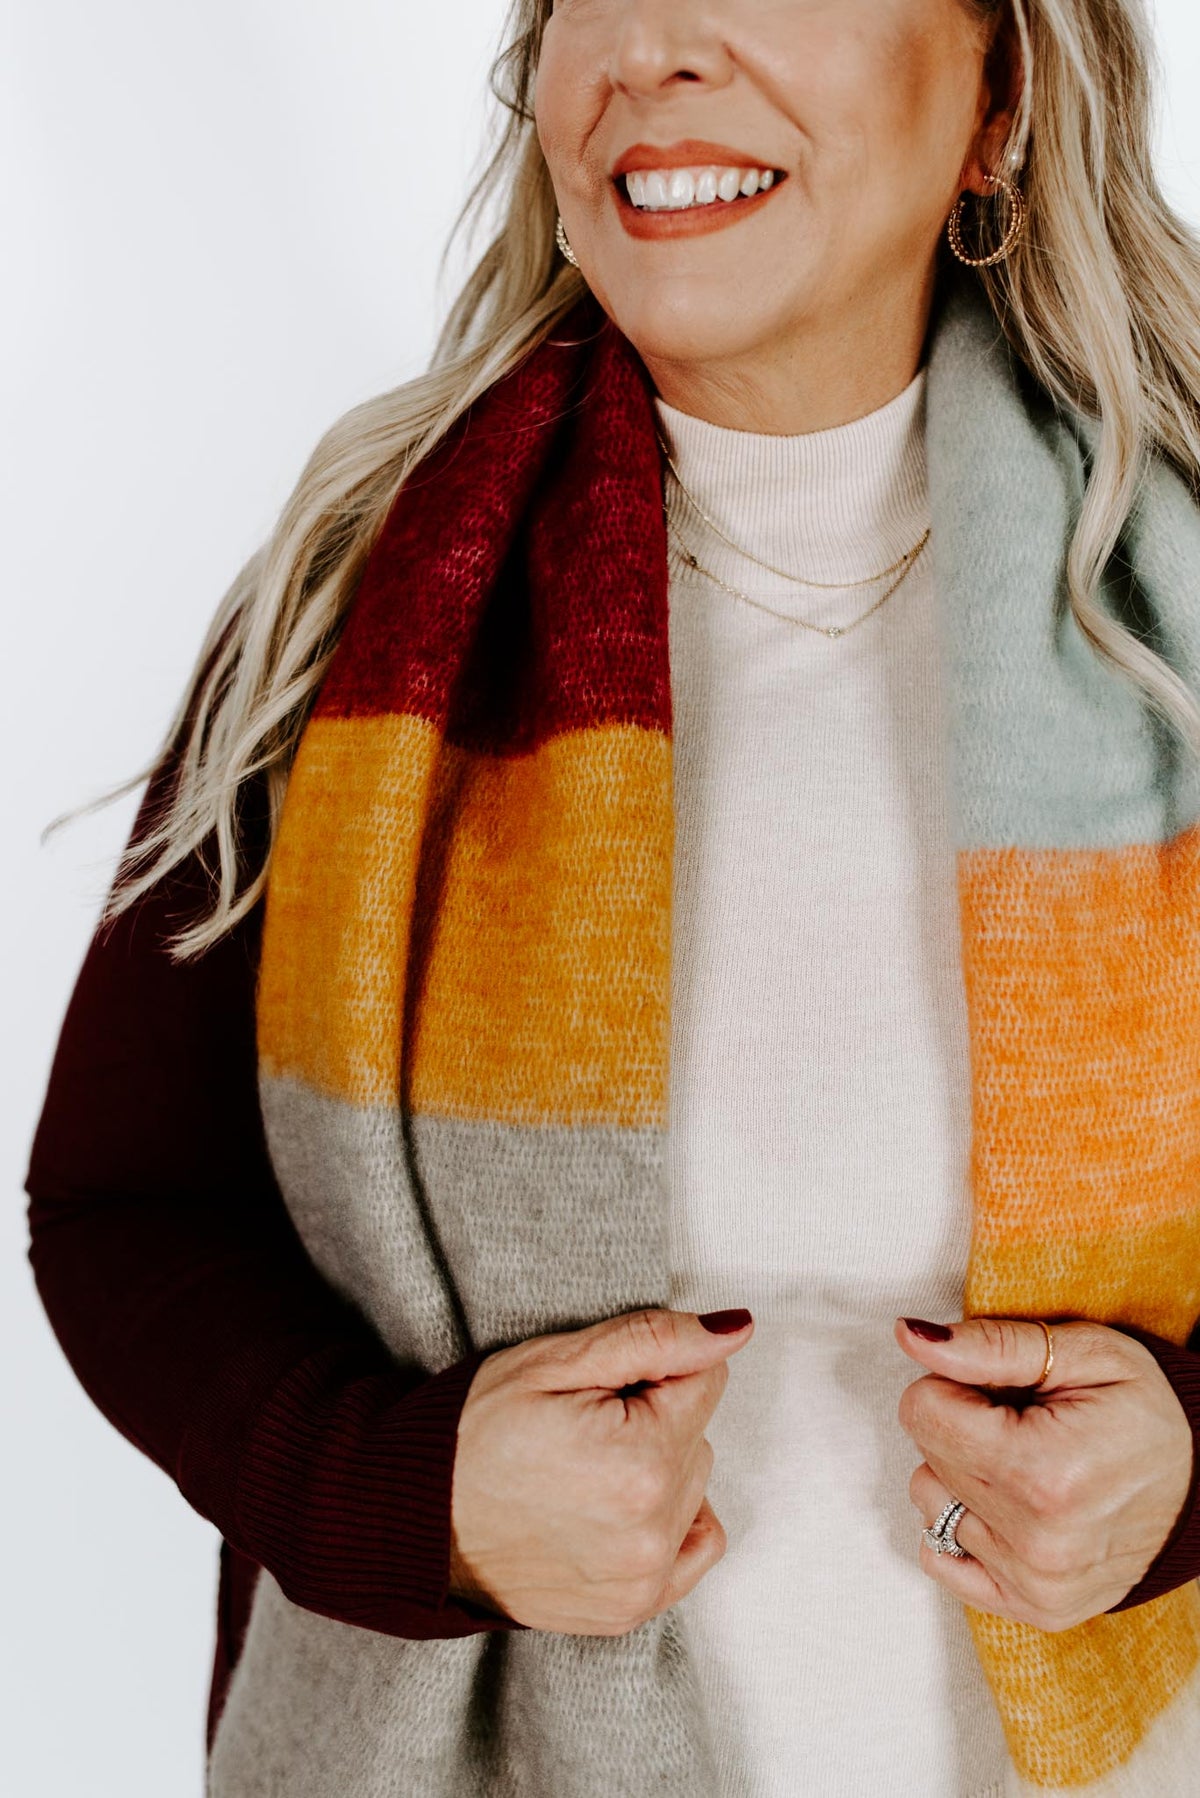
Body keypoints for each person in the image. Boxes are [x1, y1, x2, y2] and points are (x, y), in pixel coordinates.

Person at [24, 1, 1200, 1793]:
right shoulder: (355, 599)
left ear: (1001, 95)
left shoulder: (1176, 618)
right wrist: (406, 1494)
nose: (650, 47)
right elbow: (125, 1205)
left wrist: (1192, 1468)